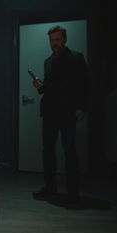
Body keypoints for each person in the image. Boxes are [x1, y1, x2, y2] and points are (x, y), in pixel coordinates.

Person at [32, 25, 89, 204]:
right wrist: (40, 87)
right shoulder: (48, 62)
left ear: (64, 39)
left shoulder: (76, 58)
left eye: (57, 39)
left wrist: (82, 107)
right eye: (52, 40)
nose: (54, 43)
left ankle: (73, 192)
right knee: (47, 150)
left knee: (69, 150)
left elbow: (85, 84)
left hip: (68, 111)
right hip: (49, 112)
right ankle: (50, 187)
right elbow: (47, 88)